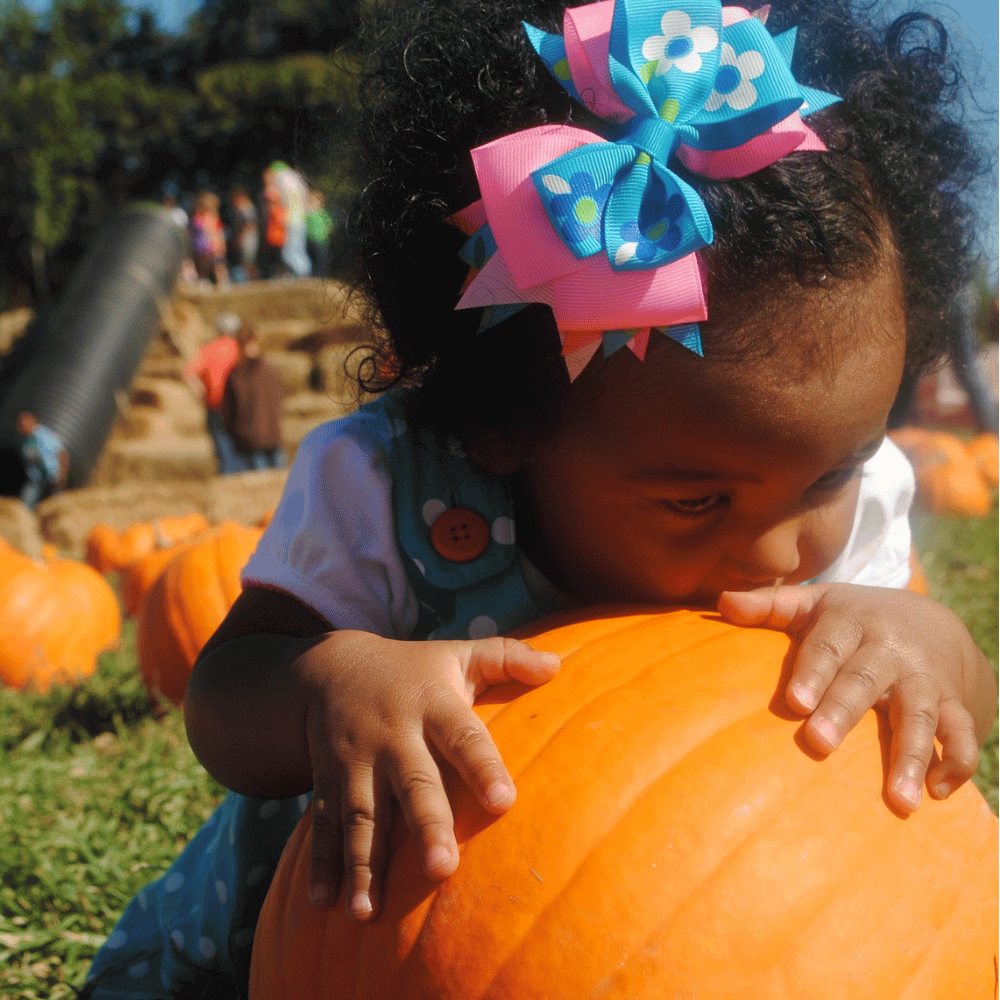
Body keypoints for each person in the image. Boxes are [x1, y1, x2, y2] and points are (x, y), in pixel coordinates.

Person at [84, 1, 998, 996]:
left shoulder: (852, 503)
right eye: (698, 501)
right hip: (329, 945)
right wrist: (330, 681)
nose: (786, 552)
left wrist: (935, 645)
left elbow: (960, 700)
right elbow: (221, 697)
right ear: (498, 425)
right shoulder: (390, 488)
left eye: (828, 474)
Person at [182, 312, 243, 475]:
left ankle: (228, 474)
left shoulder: (209, 349)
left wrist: (201, 392)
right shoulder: (240, 350)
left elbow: (187, 373)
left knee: (222, 444)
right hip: (239, 406)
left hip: (215, 404)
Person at [221, 324, 286, 472]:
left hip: (256, 439)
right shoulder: (268, 369)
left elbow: (229, 413)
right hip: (264, 437)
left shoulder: (238, 374)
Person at [17, 411, 68, 508]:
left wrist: (62, 476)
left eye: (22, 425)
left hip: (53, 479)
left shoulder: (44, 435)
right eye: (19, 425)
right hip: (36, 481)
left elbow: (62, 453)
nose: (20, 429)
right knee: (25, 506)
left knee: (55, 508)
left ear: (32, 422)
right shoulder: (25, 442)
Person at [190, 190, 229, 286]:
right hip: (203, 247)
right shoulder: (198, 218)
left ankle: (222, 282)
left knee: (218, 266)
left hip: (212, 246)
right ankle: (205, 282)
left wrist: (221, 244)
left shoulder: (213, 218)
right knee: (204, 267)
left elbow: (218, 232)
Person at [228, 187, 260, 283]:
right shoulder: (245, 208)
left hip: (249, 239)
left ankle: (252, 280)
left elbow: (249, 225)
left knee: (248, 261)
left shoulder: (246, 208)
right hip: (250, 238)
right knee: (248, 261)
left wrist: (240, 238)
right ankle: (251, 280)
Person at [305, 187, 334, 277]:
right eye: (312, 201)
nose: (314, 203)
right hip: (312, 240)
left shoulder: (322, 213)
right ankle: (315, 275)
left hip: (322, 240)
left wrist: (327, 231)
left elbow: (329, 224)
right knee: (314, 259)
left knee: (323, 258)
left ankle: (323, 275)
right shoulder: (308, 214)